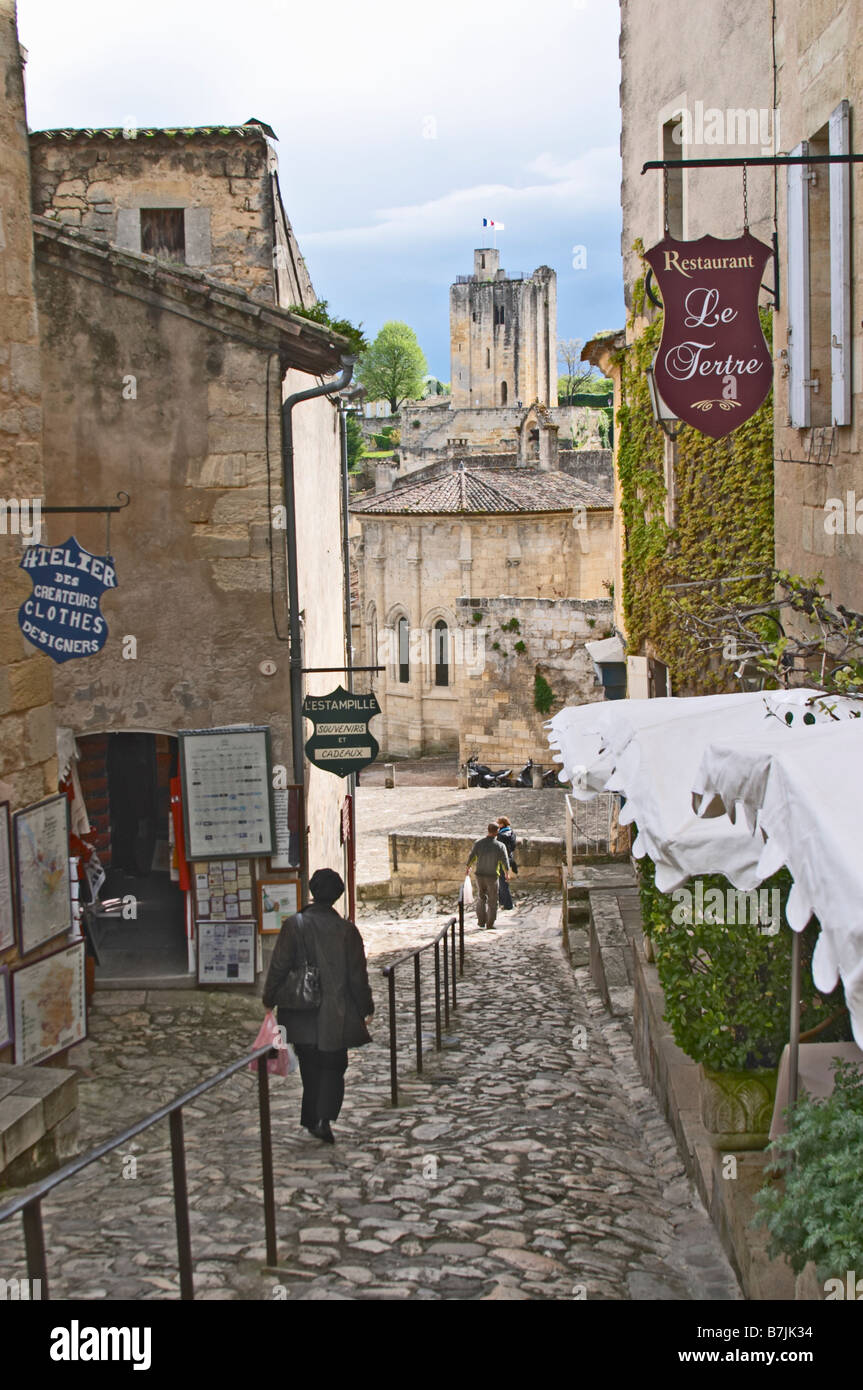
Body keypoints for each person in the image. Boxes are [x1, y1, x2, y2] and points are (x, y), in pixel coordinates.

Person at [261, 867, 373, 1144]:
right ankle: (323, 1118)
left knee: (310, 1066)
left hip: (301, 1009)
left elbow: (279, 965)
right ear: (337, 896)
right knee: (334, 1065)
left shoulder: (294, 925)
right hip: (337, 1010)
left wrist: (269, 998)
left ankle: (313, 1118)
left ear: (312, 891)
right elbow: (357, 975)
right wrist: (365, 1007)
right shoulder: (347, 931)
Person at [466, 822, 510, 930]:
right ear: (497, 831)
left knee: (481, 897)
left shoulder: (478, 843)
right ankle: (490, 923)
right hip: (492, 876)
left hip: (479, 875)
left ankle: (481, 921)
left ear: (488, 830)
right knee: (493, 900)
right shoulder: (500, 846)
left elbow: (472, 856)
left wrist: (468, 867)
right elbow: (505, 861)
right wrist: (507, 873)